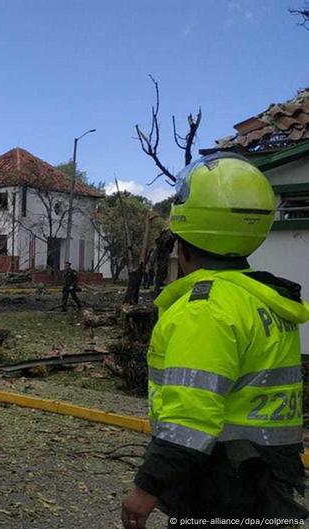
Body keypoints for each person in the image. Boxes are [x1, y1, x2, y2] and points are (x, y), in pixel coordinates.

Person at [121, 153, 309, 529]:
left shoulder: (204, 310)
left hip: (222, 483)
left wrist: (147, 487)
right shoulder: (264, 301)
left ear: (183, 245)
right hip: (269, 480)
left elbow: (190, 413)